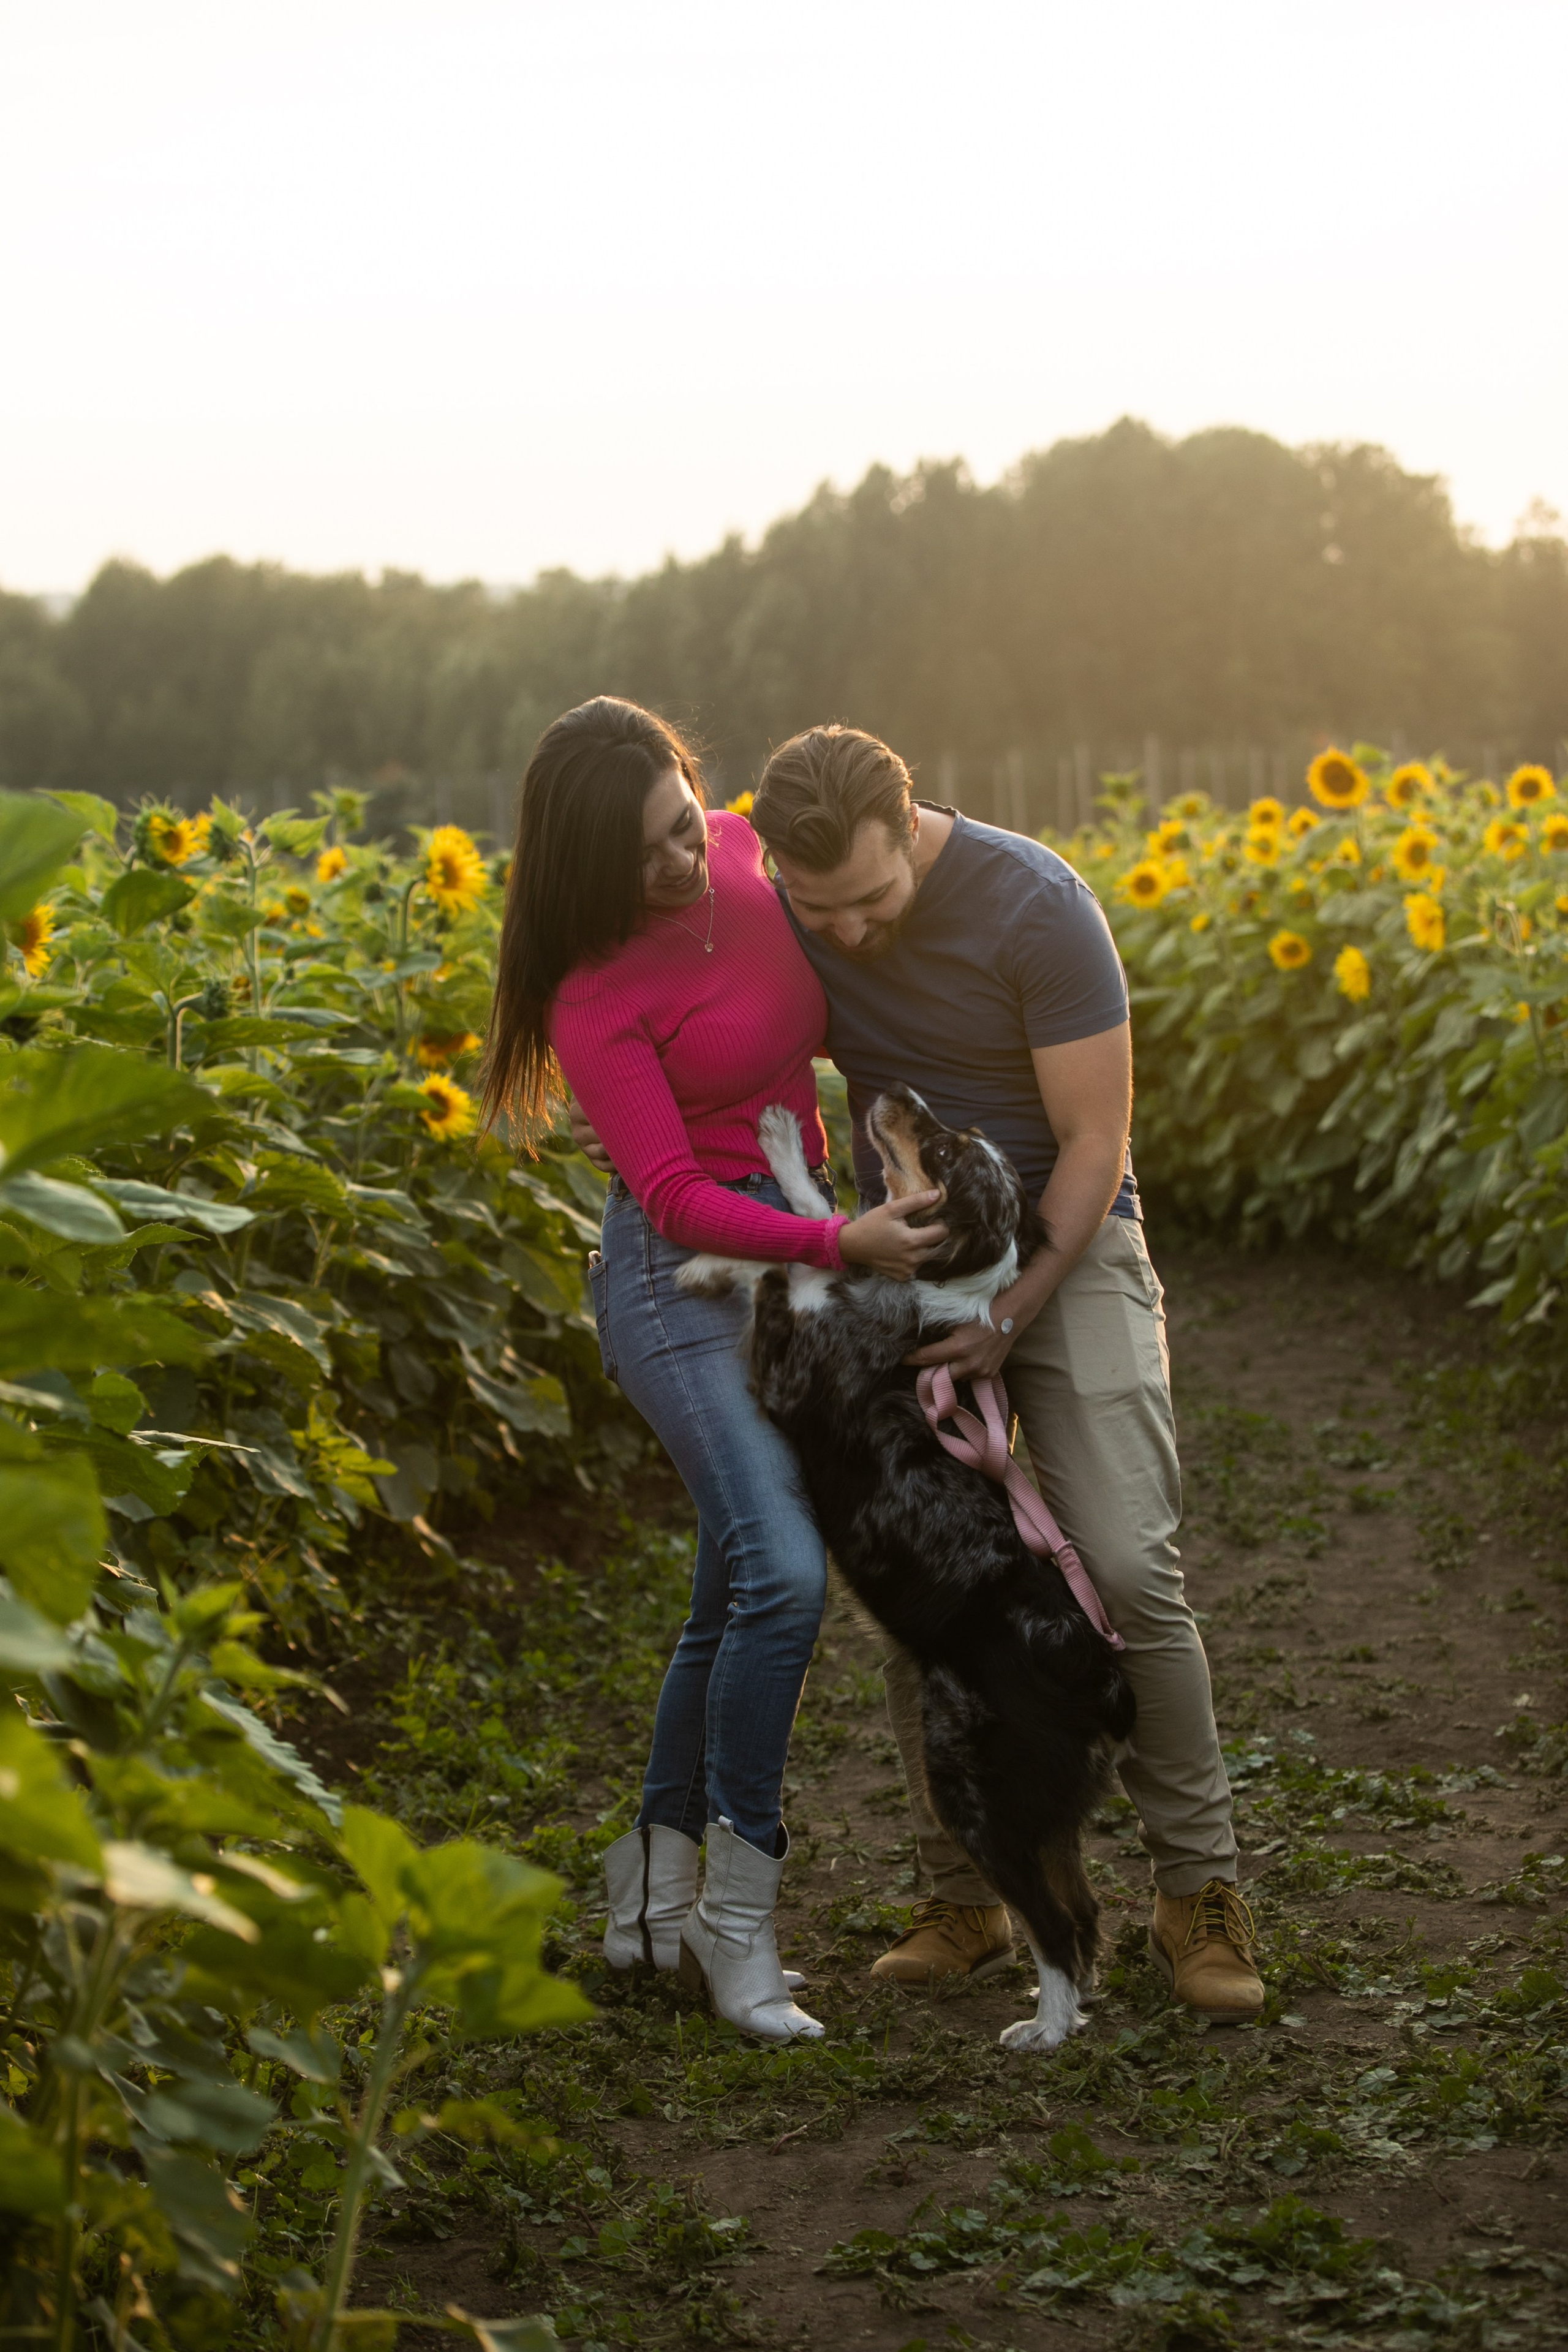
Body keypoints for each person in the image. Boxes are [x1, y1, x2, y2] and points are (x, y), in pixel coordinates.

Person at [745, 726, 1262, 2021]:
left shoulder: (1037, 905)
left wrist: (1012, 1310)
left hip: (1065, 1248)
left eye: (871, 898)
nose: (846, 932)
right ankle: (967, 1895)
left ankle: (1196, 1890)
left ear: (911, 823)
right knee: (929, 1575)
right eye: (819, 909)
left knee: (1127, 1564)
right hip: (912, 1255)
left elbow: (1093, 1141)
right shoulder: (782, 904)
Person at [483, 698, 948, 2045]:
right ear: (584, 868)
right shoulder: (592, 990)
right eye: (644, 857)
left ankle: (649, 1895)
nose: (682, 863)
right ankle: (734, 1926)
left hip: (795, 1256)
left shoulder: (751, 852)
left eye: (683, 826)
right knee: (783, 1576)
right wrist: (838, 1241)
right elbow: (676, 1195)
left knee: (724, 1592)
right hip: (680, 1280)